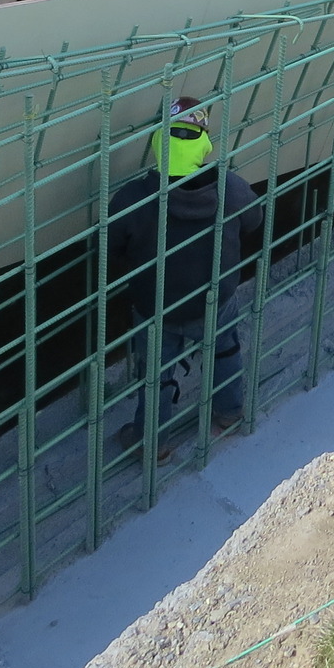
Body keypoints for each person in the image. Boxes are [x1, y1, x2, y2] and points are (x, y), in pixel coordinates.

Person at [106, 98, 262, 452]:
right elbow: (255, 221)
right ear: (203, 144)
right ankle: (230, 411)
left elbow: (110, 250)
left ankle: (152, 443)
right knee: (225, 350)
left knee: (156, 377)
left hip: (156, 307)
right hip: (214, 300)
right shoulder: (230, 188)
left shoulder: (132, 199)